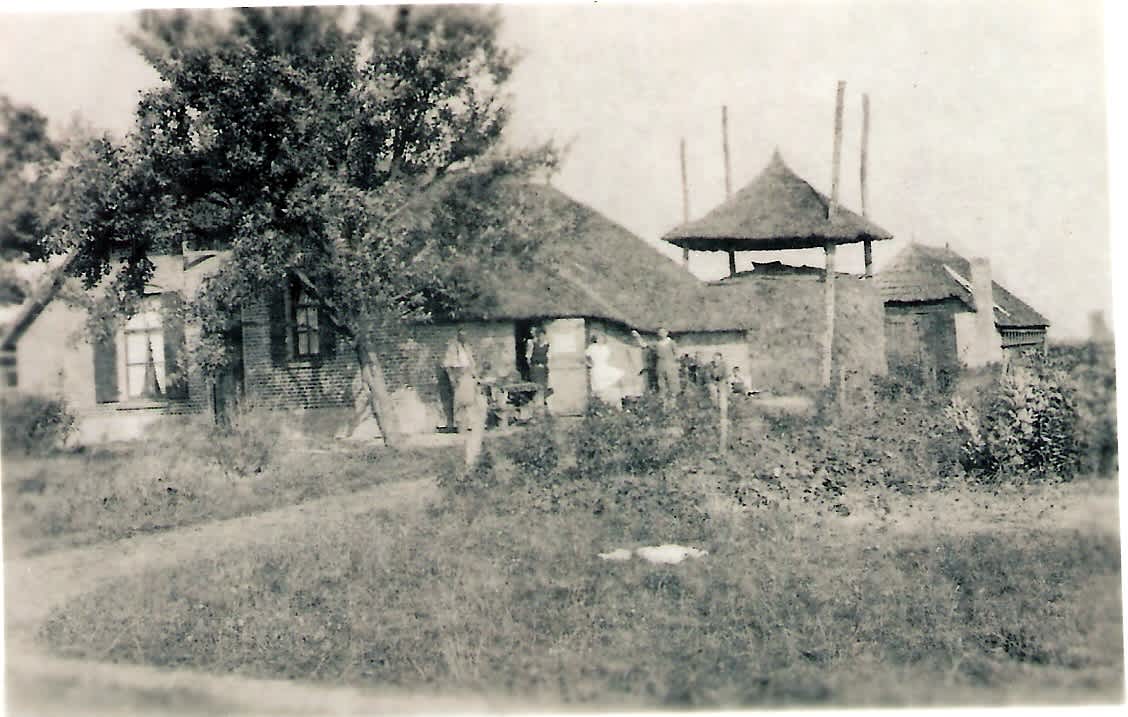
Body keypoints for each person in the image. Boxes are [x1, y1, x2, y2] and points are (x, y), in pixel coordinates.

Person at [442, 329, 485, 466]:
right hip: (459, 376)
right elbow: (448, 365)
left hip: (468, 375)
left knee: (470, 400)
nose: (464, 337)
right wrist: (453, 378)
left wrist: (475, 375)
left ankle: (470, 424)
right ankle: (460, 426)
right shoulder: (452, 347)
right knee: (460, 401)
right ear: (458, 335)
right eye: (461, 334)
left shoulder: (467, 347)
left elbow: (471, 364)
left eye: (466, 334)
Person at [633, 328, 679, 402]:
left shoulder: (671, 343)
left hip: (670, 364)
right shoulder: (657, 344)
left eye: (663, 332)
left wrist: (674, 364)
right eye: (659, 332)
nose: (661, 334)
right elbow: (644, 345)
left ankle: (673, 403)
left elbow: (676, 354)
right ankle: (663, 404)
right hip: (660, 365)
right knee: (661, 384)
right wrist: (637, 337)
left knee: (672, 383)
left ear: (667, 333)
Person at [585, 334, 623, 407]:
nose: (601, 340)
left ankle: (613, 400)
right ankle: (602, 401)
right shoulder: (592, 347)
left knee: (616, 377)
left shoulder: (606, 348)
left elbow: (611, 357)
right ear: (596, 339)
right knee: (599, 385)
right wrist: (589, 364)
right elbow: (584, 356)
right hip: (597, 367)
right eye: (599, 338)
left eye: (602, 338)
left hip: (605, 366)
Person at [526, 326, 551, 406]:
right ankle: (536, 404)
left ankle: (543, 403)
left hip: (543, 369)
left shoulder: (547, 345)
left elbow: (549, 356)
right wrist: (532, 367)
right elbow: (528, 357)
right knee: (536, 387)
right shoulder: (532, 344)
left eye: (543, 335)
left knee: (544, 387)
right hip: (535, 369)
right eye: (540, 335)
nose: (541, 337)